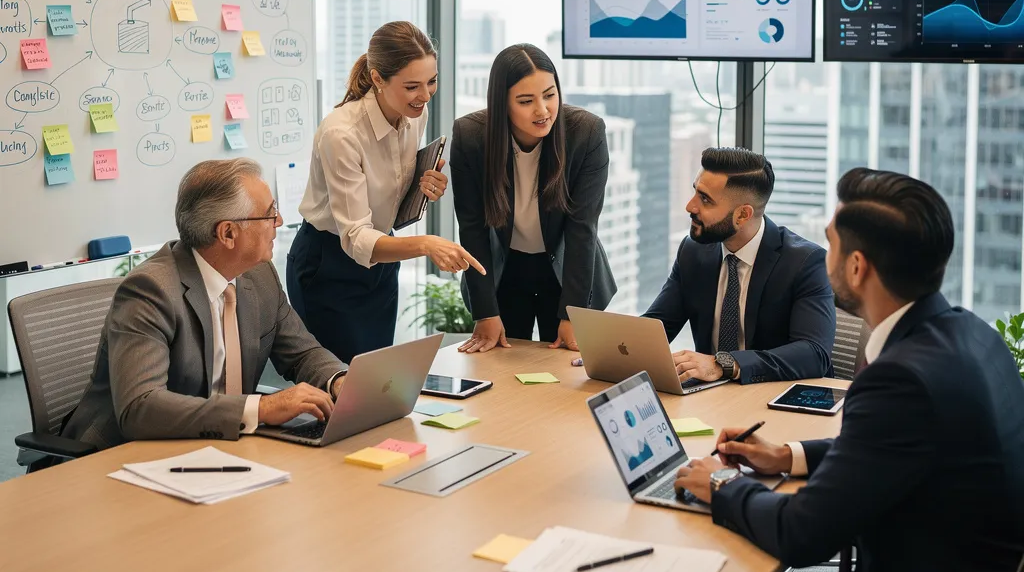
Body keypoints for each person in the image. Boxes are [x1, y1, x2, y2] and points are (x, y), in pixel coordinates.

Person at [675, 168, 1024, 572]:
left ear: (857, 267)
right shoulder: (969, 332)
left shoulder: (901, 380)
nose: (823, 257)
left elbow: (801, 535)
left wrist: (719, 486)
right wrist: (786, 456)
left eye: (831, 243)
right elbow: (892, 452)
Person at [63, 159, 348, 451]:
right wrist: (259, 409)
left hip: (220, 445)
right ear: (227, 233)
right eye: (269, 213)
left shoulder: (259, 276)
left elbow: (302, 353)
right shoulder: (150, 291)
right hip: (122, 455)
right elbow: (140, 407)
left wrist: (340, 381)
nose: (278, 221)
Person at [287, 21, 483, 363]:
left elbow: (386, 193)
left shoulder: (414, 113)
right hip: (328, 267)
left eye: (431, 81)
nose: (425, 95)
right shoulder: (342, 134)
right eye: (412, 86)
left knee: (374, 380)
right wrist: (426, 244)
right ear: (378, 79)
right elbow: (354, 236)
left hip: (381, 262)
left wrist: (420, 186)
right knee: (335, 388)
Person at [450, 43, 616, 353]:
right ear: (502, 103)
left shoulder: (586, 132)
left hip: (568, 270)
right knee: (502, 372)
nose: (542, 110)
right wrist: (486, 311)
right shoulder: (471, 137)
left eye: (549, 95)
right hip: (505, 271)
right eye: (526, 101)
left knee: (569, 376)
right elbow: (472, 228)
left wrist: (573, 314)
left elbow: (583, 228)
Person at [643, 147, 834, 384]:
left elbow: (814, 354)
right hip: (712, 399)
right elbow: (657, 327)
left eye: (705, 199)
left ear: (742, 215)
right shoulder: (693, 251)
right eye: (696, 192)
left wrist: (723, 364)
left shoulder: (805, 262)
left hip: (775, 400)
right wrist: (607, 342)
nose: (690, 206)